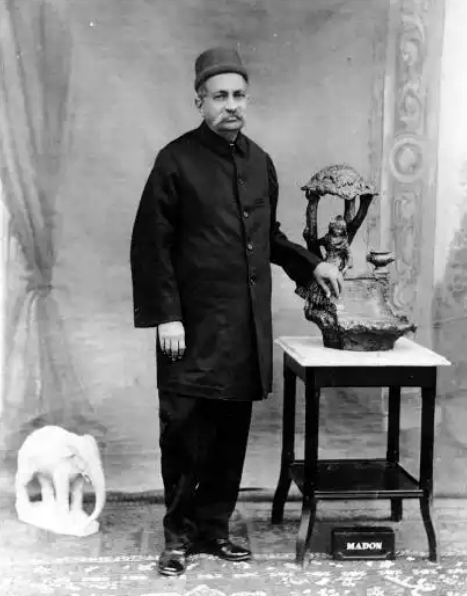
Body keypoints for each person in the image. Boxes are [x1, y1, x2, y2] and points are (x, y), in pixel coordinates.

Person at [130, 47, 343, 577]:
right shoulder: (175, 160)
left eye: (239, 95)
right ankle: (178, 538)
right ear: (199, 102)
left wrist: (312, 264)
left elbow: (267, 238)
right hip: (189, 327)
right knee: (183, 433)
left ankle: (214, 529)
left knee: (230, 433)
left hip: (245, 326)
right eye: (220, 96)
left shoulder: (259, 161)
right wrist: (167, 316)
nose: (231, 105)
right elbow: (150, 246)